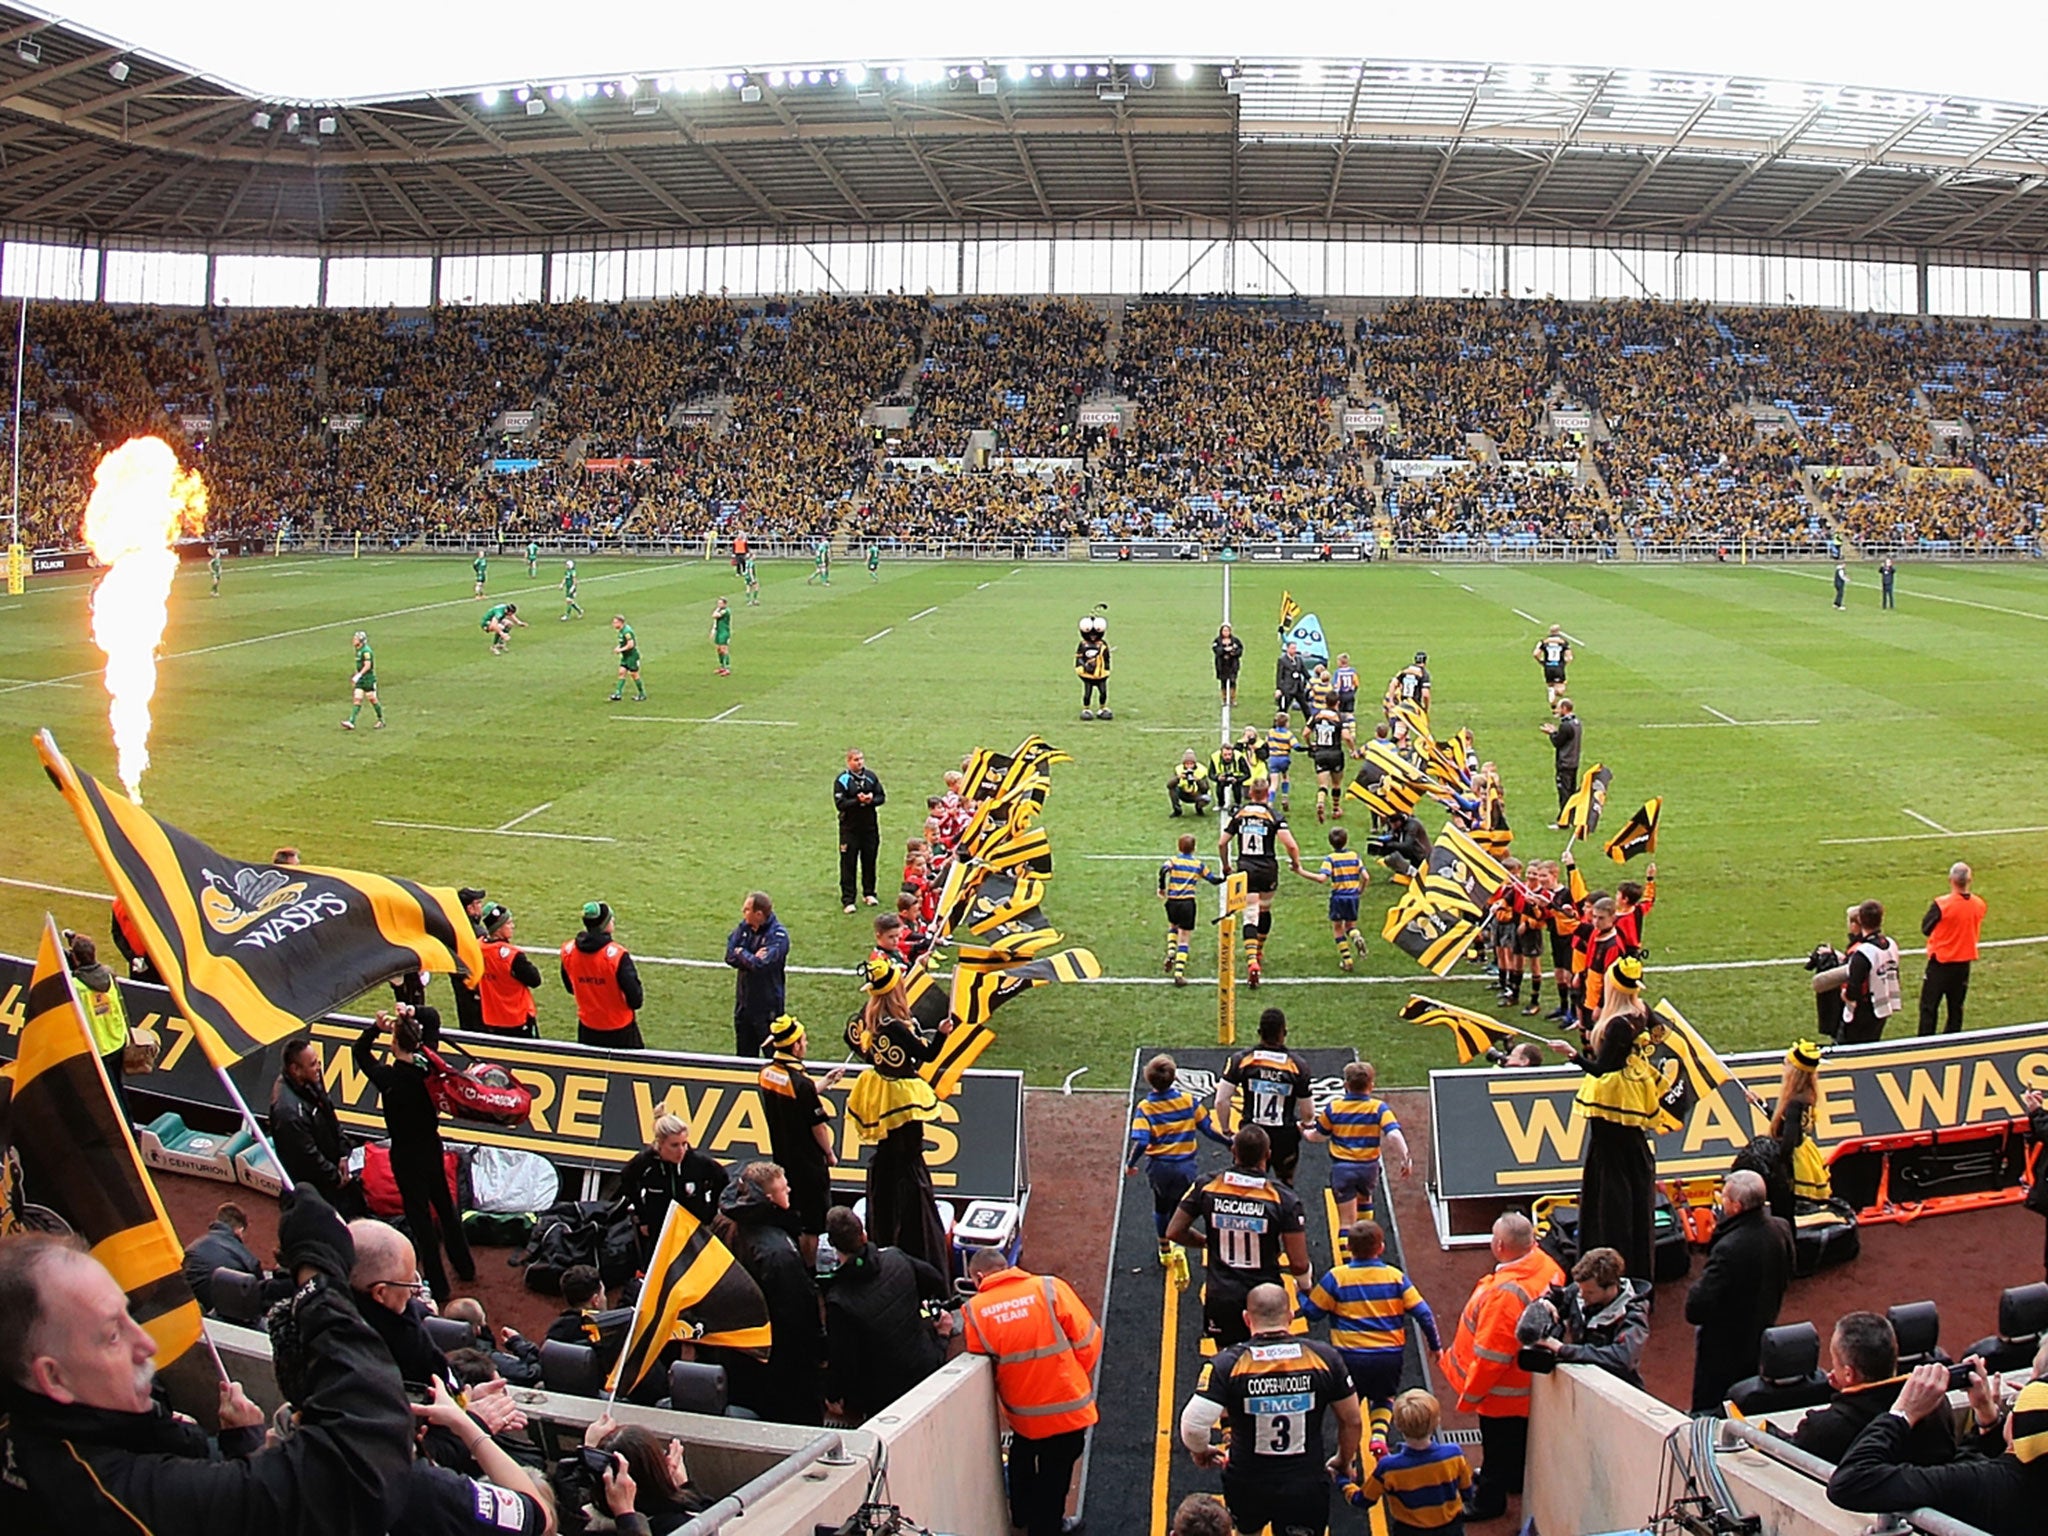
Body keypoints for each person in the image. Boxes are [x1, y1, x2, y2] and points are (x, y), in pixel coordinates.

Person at [0, 1191, 416, 1533]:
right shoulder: (112, 1498)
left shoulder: (41, 1437)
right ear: (52, 1377)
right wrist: (322, 1288)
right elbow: (354, 1478)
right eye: (111, 1335)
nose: (145, 1343)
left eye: (130, 1317)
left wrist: (240, 1446)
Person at [1180, 1282, 1362, 1536]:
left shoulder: (1226, 1364)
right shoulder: (1325, 1358)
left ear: (1246, 1319)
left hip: (1247, 1481)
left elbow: (1193, 1425)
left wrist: (1201, 1450)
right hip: (1304, 1483)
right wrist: (1344, 1460)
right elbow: (1352, 1420)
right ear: (1290, 1316)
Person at [960, 1246, 1102, 1536]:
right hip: (1068, 1406)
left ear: (978, 1277)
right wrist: (1069, 1372)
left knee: (1023, 1456)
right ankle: (1047, 1528)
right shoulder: (1049, 1288)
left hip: (1023, 1414)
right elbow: (1089, 1339)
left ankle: (1021, 1513)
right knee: (1056, 1474)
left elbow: (983, 1367)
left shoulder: (974, 1312)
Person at [1442, 1212, 1564, 1522]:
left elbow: (1492, 1355)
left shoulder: (1504, 1295)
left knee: (1496, 1450)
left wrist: (1471, 1396)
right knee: (1516, 1443)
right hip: (1527, 1385)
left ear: (1499, 1245)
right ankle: (1513, 1480)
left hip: (1502, 1395)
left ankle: (1489, 1503)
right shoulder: (1547, 1268)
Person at [1827, 1368, 2048, 1536]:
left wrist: (1903, 1412)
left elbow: (1850, 1482)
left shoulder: (1980, 1484)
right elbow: (1976, 1466)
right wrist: (1987, 1421)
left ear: (2017, 1425)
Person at [353, 1005, 475, 1304]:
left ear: (394, 1044)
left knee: (421, 1221)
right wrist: (410, 1012)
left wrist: (375, 1028)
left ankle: (440, 1287)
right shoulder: (428, 1066)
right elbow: (432, 1015)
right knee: (446, 1210)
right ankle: (466, 1267)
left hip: (406, 1155)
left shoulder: (387, 1077)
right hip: (431, 1148)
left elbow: (359, 1051)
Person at [844, 928, 949, 1267]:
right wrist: (943, 1034)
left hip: (877, 1087)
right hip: (901, 1093)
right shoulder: (898, 1028)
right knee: (908, 1154)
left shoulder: (869, 1020)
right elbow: (928, 1056)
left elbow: (855, 1043)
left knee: (887, 1151)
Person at [1164, 1124, 1310, 1351]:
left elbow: (1174, 1231)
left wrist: (1205, 1242)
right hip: (1266, 1297)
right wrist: (1306, 1287)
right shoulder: (1283, 1197)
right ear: (1268, 1154)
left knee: (1228, 1364)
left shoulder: (1207, 1185)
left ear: (1233, 1151)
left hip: (1222, 1295)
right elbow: (1299, 1263)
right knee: (1266, 1362)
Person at [1566, 966, 1661, 1284]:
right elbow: (1660, 1033)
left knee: (1608, 1181)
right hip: (1634, 1093)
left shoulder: (1619, 1023)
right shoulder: (1641, 1010)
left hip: (1611, 1100)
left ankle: (1608, 1263)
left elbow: (1601, 1068)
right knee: (1630, 1166)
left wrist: (1573, 1056)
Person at [1301, 1220, 1441, 1434]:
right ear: (1381, 1248)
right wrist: (1435, 1345)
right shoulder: (1395, 1277)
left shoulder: (1337, 1278)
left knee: (1348, 1407)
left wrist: (1301, 1294)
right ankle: (1378, 1436)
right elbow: (1424, 1313)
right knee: (1384, 1397)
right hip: (1388, 1356)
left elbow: (1312, 1313)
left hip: (1349, 1357)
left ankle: (1346, 1457)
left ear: (1348, 1247)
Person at [715, 1161, 825, 1425]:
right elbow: (799, 1312)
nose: (789, 1191)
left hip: (737, 1345)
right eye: (784, 1190)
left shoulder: (724, 1223)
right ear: (768, 1199)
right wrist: (819, 1353)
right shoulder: (777, 1252)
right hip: (778, 1354)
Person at [820, 1205, 950, 1423]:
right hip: (925, 1367)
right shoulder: (895, 1257)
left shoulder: (838, 1300)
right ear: (863, 1235)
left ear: (833, 1245)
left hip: (883, 1397)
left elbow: (843, 1360)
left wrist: (833, 1395)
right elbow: (934, 1278)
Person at [1684, 1169, 1794, 1413]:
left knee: (1712, 1410)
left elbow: (1695, 1308)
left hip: (1722, 1347)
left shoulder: (1728, 1248)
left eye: (1724, 1198)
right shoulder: (1781, 1228)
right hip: (1762, 1330)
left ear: (1736, 1206)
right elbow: (1788, 1273)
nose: (1721, 1203)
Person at [1791, 1311, 1958, 1466]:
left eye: (1835, 1363)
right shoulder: (1935, 1403)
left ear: (1849, 1374)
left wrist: (1844, 1396)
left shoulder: (1821, 1429)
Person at [1127, 1052, 1231, 1267]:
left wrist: (1130, 1164)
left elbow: (1142, 1141)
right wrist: (1229, 1143)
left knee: (1161, 1207)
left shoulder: (1145, 1108)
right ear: (1174, 1078)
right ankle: (1180, 1243)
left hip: (1160, 1168)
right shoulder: (1188, 1101)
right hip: (1186, 1167)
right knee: (1182, 1206)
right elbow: (1208, 1130)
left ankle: (1164, 1249)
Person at [757, 1015, 840, 1263]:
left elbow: (796, 1098)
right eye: (803, 1041)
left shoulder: (767, 1074)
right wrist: (829, 1154)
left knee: (791, 1214)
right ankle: (808, 1269)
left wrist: (825, 1082)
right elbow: (818, 1126)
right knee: (812, 1225)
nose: (806, 1044)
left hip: (782, 1157)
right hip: (808, 1163)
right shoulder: (801, 1084)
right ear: (794, 1047)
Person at [1517, 1246, 1650, 1390]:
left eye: (1590, 1292)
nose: (1582, 1295)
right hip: (1585, 1386)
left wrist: (1562, 1349)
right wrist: (1542, 1307)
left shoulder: (1633, 1313)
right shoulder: (1579, 1291)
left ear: (1611, 1287)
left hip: (1619, 1390)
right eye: (1580, 1289)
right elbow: (1537, 1319)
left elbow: (1622, 1358)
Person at [1343, 1389, 1472, 1536]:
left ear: (1397, 1424)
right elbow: (1467, 1491)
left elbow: (1363, 1500)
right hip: (1450, 1529)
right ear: (1437, 1421)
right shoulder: (1454, 1454)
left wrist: (1343, 1482)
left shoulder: (1389, 1468)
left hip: (1409, 1531)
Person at [1215, 1008, 1314, 1186]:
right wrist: (1305, 1126)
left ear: (1259, 1033)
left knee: (1246, 1183)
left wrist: (1227, 1131)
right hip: (1285, 1136)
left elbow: (1221, 1101)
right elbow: (1307, 1112)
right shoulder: (1298, 1065)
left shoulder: (1242, 1060)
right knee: (1285, 1184)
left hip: (1251, 1134)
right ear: (1284, 1033)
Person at [1219, 779, 1304, 987]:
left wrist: (1226, 865)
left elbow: (1222, 843)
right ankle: (1259, 950)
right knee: (1264, 910)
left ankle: (1251, 960)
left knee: (1250, 914)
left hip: (1246, 868)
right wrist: (1296, 863)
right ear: (1267, 793)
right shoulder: (1273, 816)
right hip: (1267, 869)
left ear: (1250, 794)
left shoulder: (1240, 815)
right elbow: (1291, 845)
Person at [1305, 1061, 1410, 1228]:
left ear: (1346, 1085)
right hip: (1369, 1169)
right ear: (1371, 1086)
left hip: (1343, 1170)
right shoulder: (1378, 1108)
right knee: (1365, 1203)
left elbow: (1318, 1136)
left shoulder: (1334, 1108)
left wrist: (1305, 1131)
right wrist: (1405, 1158)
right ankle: (1365, 1246)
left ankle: (1348, 1254)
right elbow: (1394, 1134)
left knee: (1346, 1222)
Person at [619, 1110, 729, 1258]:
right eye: (674, 1145)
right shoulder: (646, 1163)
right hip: (659, 1229)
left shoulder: (698, 1163)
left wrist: (710, 1214)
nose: (681, 1150)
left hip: (693, 1231)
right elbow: (627, 1180)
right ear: (660, 1143)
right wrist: (642, 1216)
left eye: (684, 1144)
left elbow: (722, 1179)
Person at [270, 1034, 355, 1207]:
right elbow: (307, 1156)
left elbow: (329, 1111)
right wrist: (335, 1177)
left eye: (317, 1061)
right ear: (296, 1069)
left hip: (329, 1173)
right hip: (311, 1188)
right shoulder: (288, 1112)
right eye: (313, 1064)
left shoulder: (311, 1078)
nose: (318, 1067)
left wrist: (343, 1153)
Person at [63, 932, 132, 1125]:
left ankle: (122, 1134)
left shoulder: (76, 986)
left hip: (98, 1048)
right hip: (116, 1041)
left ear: (75, 958)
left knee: (108, 1097)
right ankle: (129, 1127)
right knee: (118, 1089)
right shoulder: (108, 975)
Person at [559, 901, 645, 1049]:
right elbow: (636, 999)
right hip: (620, 1029)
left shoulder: (569, 950)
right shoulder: (617, 956)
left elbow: (570, 987)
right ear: (604, 924)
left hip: (588, 1028)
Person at [1920, 861, 1987, 1036]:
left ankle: (1924, 1044)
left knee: (1929, 1007)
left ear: (1951, 880)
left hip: (1940, 963)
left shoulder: (1942, 904)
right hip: (1963, 964)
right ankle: (1952, 1043)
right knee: (1956, 1009)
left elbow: (1926, 928)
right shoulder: (1979, 904)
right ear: (1969, 880)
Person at [725, 890, 790, 1058]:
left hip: (768, 1011)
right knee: (744, 1059)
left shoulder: (778, 936)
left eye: (747, 909)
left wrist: (742, 953)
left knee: (774, 1058)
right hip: (744, 1007)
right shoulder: (744, 928)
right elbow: (729, 955)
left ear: (759, 914)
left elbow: (760, 965)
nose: (743, 912)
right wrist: (748, 956)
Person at [1298, 826, 1369, 973]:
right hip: (1353, 896)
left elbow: (1321, 878)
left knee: (1338, 928)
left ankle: (1347, 960)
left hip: (1339, 897)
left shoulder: (1331, 859)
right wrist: (1360, 890)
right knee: (1350, 926)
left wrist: (1300, 871)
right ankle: (1356, 936)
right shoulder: (1354, 856)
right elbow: (1366, 877)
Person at [1771, 1040, 1833, 1204]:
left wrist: (1779, 1167)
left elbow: (1788, 1139)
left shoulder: (1794, 1101)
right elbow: (1787, 1123)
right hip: (1806, 1150)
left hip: (1797, 1160)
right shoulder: (1808, 1093)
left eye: (1787, 1065)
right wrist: (1761, 1104)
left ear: (1795, 1072)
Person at [1158, 832, 1222, 986]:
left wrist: (1162, 887)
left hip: (1172, 901)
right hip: (1187, 903)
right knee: (1184, 938)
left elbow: (1163, 870)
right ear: (1194, 848)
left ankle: (1171, 951)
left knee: (1173, 926)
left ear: (1179, 847)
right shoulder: (1198, 865)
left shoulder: (1174, 860)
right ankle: (1179, 973)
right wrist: (1227, 877)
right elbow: (1212, 880)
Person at [180, 1200, 266, 1315]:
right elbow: (261, 1293)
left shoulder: (193, 1247)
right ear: (240, 1230)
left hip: (191, 1308)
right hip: (225, 1314)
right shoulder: (248, 1259)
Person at [1839, 898, 1902, 1044]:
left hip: (1863, 1011)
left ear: (1860, 920)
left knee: (1850, 1050)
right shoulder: (1891, 944)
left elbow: (1854, 987)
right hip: (1883, 1007)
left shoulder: (1863, 952)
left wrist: (1845, 995)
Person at [545, 1266, 626, 1377]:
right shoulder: (608, 1332)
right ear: (595, 1300)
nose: (605, 1298)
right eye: (603, 1293)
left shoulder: (555, 1331)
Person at [478, 903, 543, 1038]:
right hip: (517, 1019)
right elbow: (535, 980)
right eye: (508, 923)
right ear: (498, 929)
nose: (512, 926)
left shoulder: (477, 948)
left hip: (491, 1019)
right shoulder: (513, 956)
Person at [834, 746, 887, 913]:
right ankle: (848, 900)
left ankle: (869, 893)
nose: (860, 762)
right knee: (848, 863)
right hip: (850, 829)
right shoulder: (842, 780)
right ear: (848, 761)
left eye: (861, 759)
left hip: (869, 827)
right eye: (856, 760)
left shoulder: (870, 777)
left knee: (869, 860)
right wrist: (858, 800)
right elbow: (840, 804)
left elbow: (881, 797)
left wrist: (871, 800)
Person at [1306, 703, 1348, 824]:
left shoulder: (1317, 715)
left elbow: (1305, 733)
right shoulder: (1340, 717)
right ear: (1337, 703)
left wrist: (1310, 744)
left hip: (1320, 754)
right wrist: (1352, 749)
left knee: (1323, 785)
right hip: (1335, 754)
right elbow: (1346, 736)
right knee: (1336, 783)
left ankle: (1320, 802)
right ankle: (1335, 809)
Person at [1540, 697, 1580, 817]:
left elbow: (1558, 742)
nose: (1556, 711)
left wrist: (1551, 733)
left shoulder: (1566, 725)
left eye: (1558, 708)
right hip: (1574, 762)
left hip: (1565, 763)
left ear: (1564, 708)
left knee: (1564, 793)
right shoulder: (1576, 722)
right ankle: (1572, 817)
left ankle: (1564, 820)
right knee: (1571, 792)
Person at [344, 629, 385, 730]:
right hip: (361, 679)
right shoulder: (359, 650)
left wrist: (358, 675)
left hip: (368, 679)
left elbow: (368, 665)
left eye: (355, 639)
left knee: (372, 699)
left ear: (361, 641)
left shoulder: (366, 651)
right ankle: (351, 721)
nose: (353, 640)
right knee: (357, 699)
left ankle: (381, 720)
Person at [1262, 711, 1297, 813]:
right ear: (1286, 723)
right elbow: (1296, 746)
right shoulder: (1288, 734)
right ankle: (1285, 796)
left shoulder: (1271, 732)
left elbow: (1266, 743)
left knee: (1273, 783)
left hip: (1273, 759)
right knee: (1285, 777)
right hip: (1284, 758)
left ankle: (1270, 802)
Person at [608, 613, 647, 702]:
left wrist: (620, 650)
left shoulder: (627, 632)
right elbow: (623, 643)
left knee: (634, 674)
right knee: (621, 672)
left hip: (632, 657)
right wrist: (618, 647)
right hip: (625, 656)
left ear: (620, 623)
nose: (613, 624)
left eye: (615, 622)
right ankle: (618, 694)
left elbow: (631, 645)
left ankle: (642, 694)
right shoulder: (621, 631)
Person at [1533, 624, 1572, 708]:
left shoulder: (1543, 642)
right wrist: (1564, 664)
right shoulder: (1563, 642)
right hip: (1558, 667)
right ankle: (1553, 693)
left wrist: (1541, 661)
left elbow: (1536, 654)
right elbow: (1569, 657)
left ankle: (1552, 699)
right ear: (1559, 632)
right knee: (1560, 690)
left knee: (1550, 684)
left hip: (1548, 667)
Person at [1167, 749, 1212, 817]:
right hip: (1183, 792)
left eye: (1191, 764)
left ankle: (1199, 808)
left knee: (1206, 798)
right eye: (1187, 764)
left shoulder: (1201, 770)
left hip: (1197, 794)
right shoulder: (1179, 769)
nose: (1189, 766)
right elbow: (1169, 785)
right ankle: (1177, 810)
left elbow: (1205, 789)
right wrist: (1178, 778)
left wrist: (1198, 780)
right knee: (1172, 790)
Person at [1274, 641, 1310, 719]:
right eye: (1292, 648)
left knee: (1305, 707)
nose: (1294, 650)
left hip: (1298, 688)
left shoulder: (1299, 659)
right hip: (1287, 689)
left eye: (1295, 648)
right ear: (1287, 649)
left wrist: (1311, 680)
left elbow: (1304, 672)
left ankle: (1311, 724)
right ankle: (1278, 724)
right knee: (1283, 708)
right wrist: (1279, 688)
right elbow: (1279, 675)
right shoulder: (1282, 660)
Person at [1213, 622, 1243, 706]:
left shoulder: (1235, 641)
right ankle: (1224, 698)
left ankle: (1233, 698)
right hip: (1222, 665)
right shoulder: (1217, 641)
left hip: (1232, 664)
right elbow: (1216, 650)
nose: (1226, 632)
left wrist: (1233, 652)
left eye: (1227, 631)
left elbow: (1240, 650)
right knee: (1223, 682)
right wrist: (1225, 650)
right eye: (1224, 631)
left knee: (1232, 681)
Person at [709, 596, 732, 675]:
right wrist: (713, 631)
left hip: (724, 632)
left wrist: (717, 610)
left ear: (725, 604)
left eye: (720, 603)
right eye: (718, 603)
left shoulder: (726, 611)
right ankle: (722, 666)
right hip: (719, 631)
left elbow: (715, 615)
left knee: (724, 649)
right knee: (718, 649)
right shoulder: (720, 610)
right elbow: (715, 621)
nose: (718, 604)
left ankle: (727, 668)